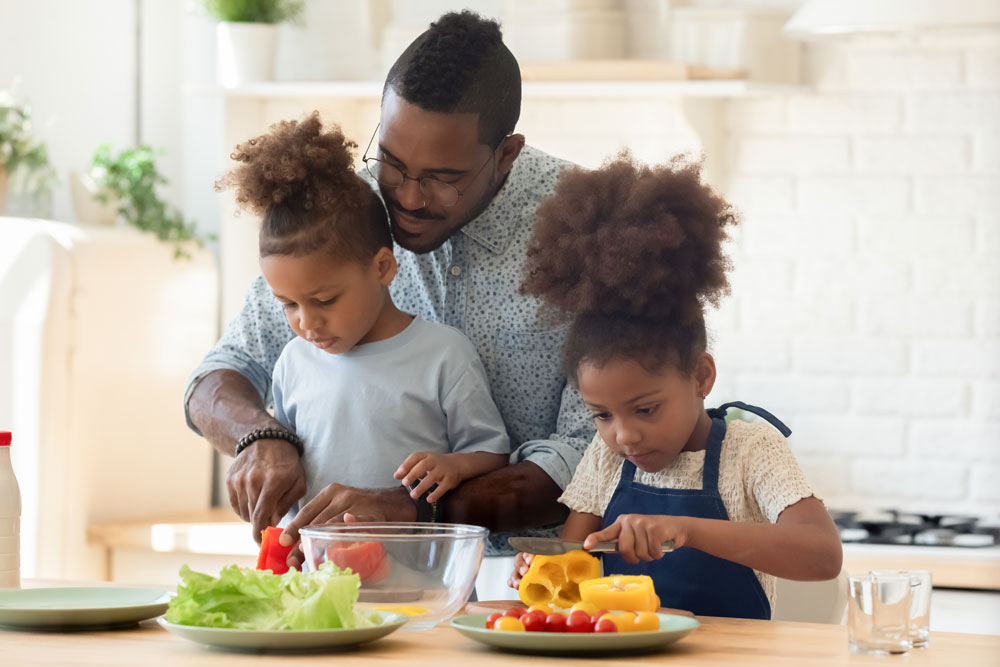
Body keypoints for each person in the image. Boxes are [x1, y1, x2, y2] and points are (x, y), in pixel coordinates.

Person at [184, 11, 594, 552]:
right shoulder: (348, 208)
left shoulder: (591, 231)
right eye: (393, 163)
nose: (406, 195)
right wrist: (258, 437)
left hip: (525, 583)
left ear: (506, 156)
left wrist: (412, 512)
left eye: (443, 179)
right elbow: (220, 375)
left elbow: (595, 455)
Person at [508, 153, 843, 619]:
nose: (623, 435)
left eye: (645, 409)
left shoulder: (750, 451)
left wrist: (685, 529)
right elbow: (574, 561)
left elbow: (822, 555)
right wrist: (544, 571)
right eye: (601, 415)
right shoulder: (605, 458)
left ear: (701, 377)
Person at [214, 114, 510, 530]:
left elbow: (493, 453)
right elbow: (296, 482)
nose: (306, 323)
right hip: (321, 580)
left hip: (422, 581)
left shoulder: (443, 354)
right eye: (288, 304)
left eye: (324, 299)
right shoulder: (293, 363)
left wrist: (454, 466)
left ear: (383, 267)